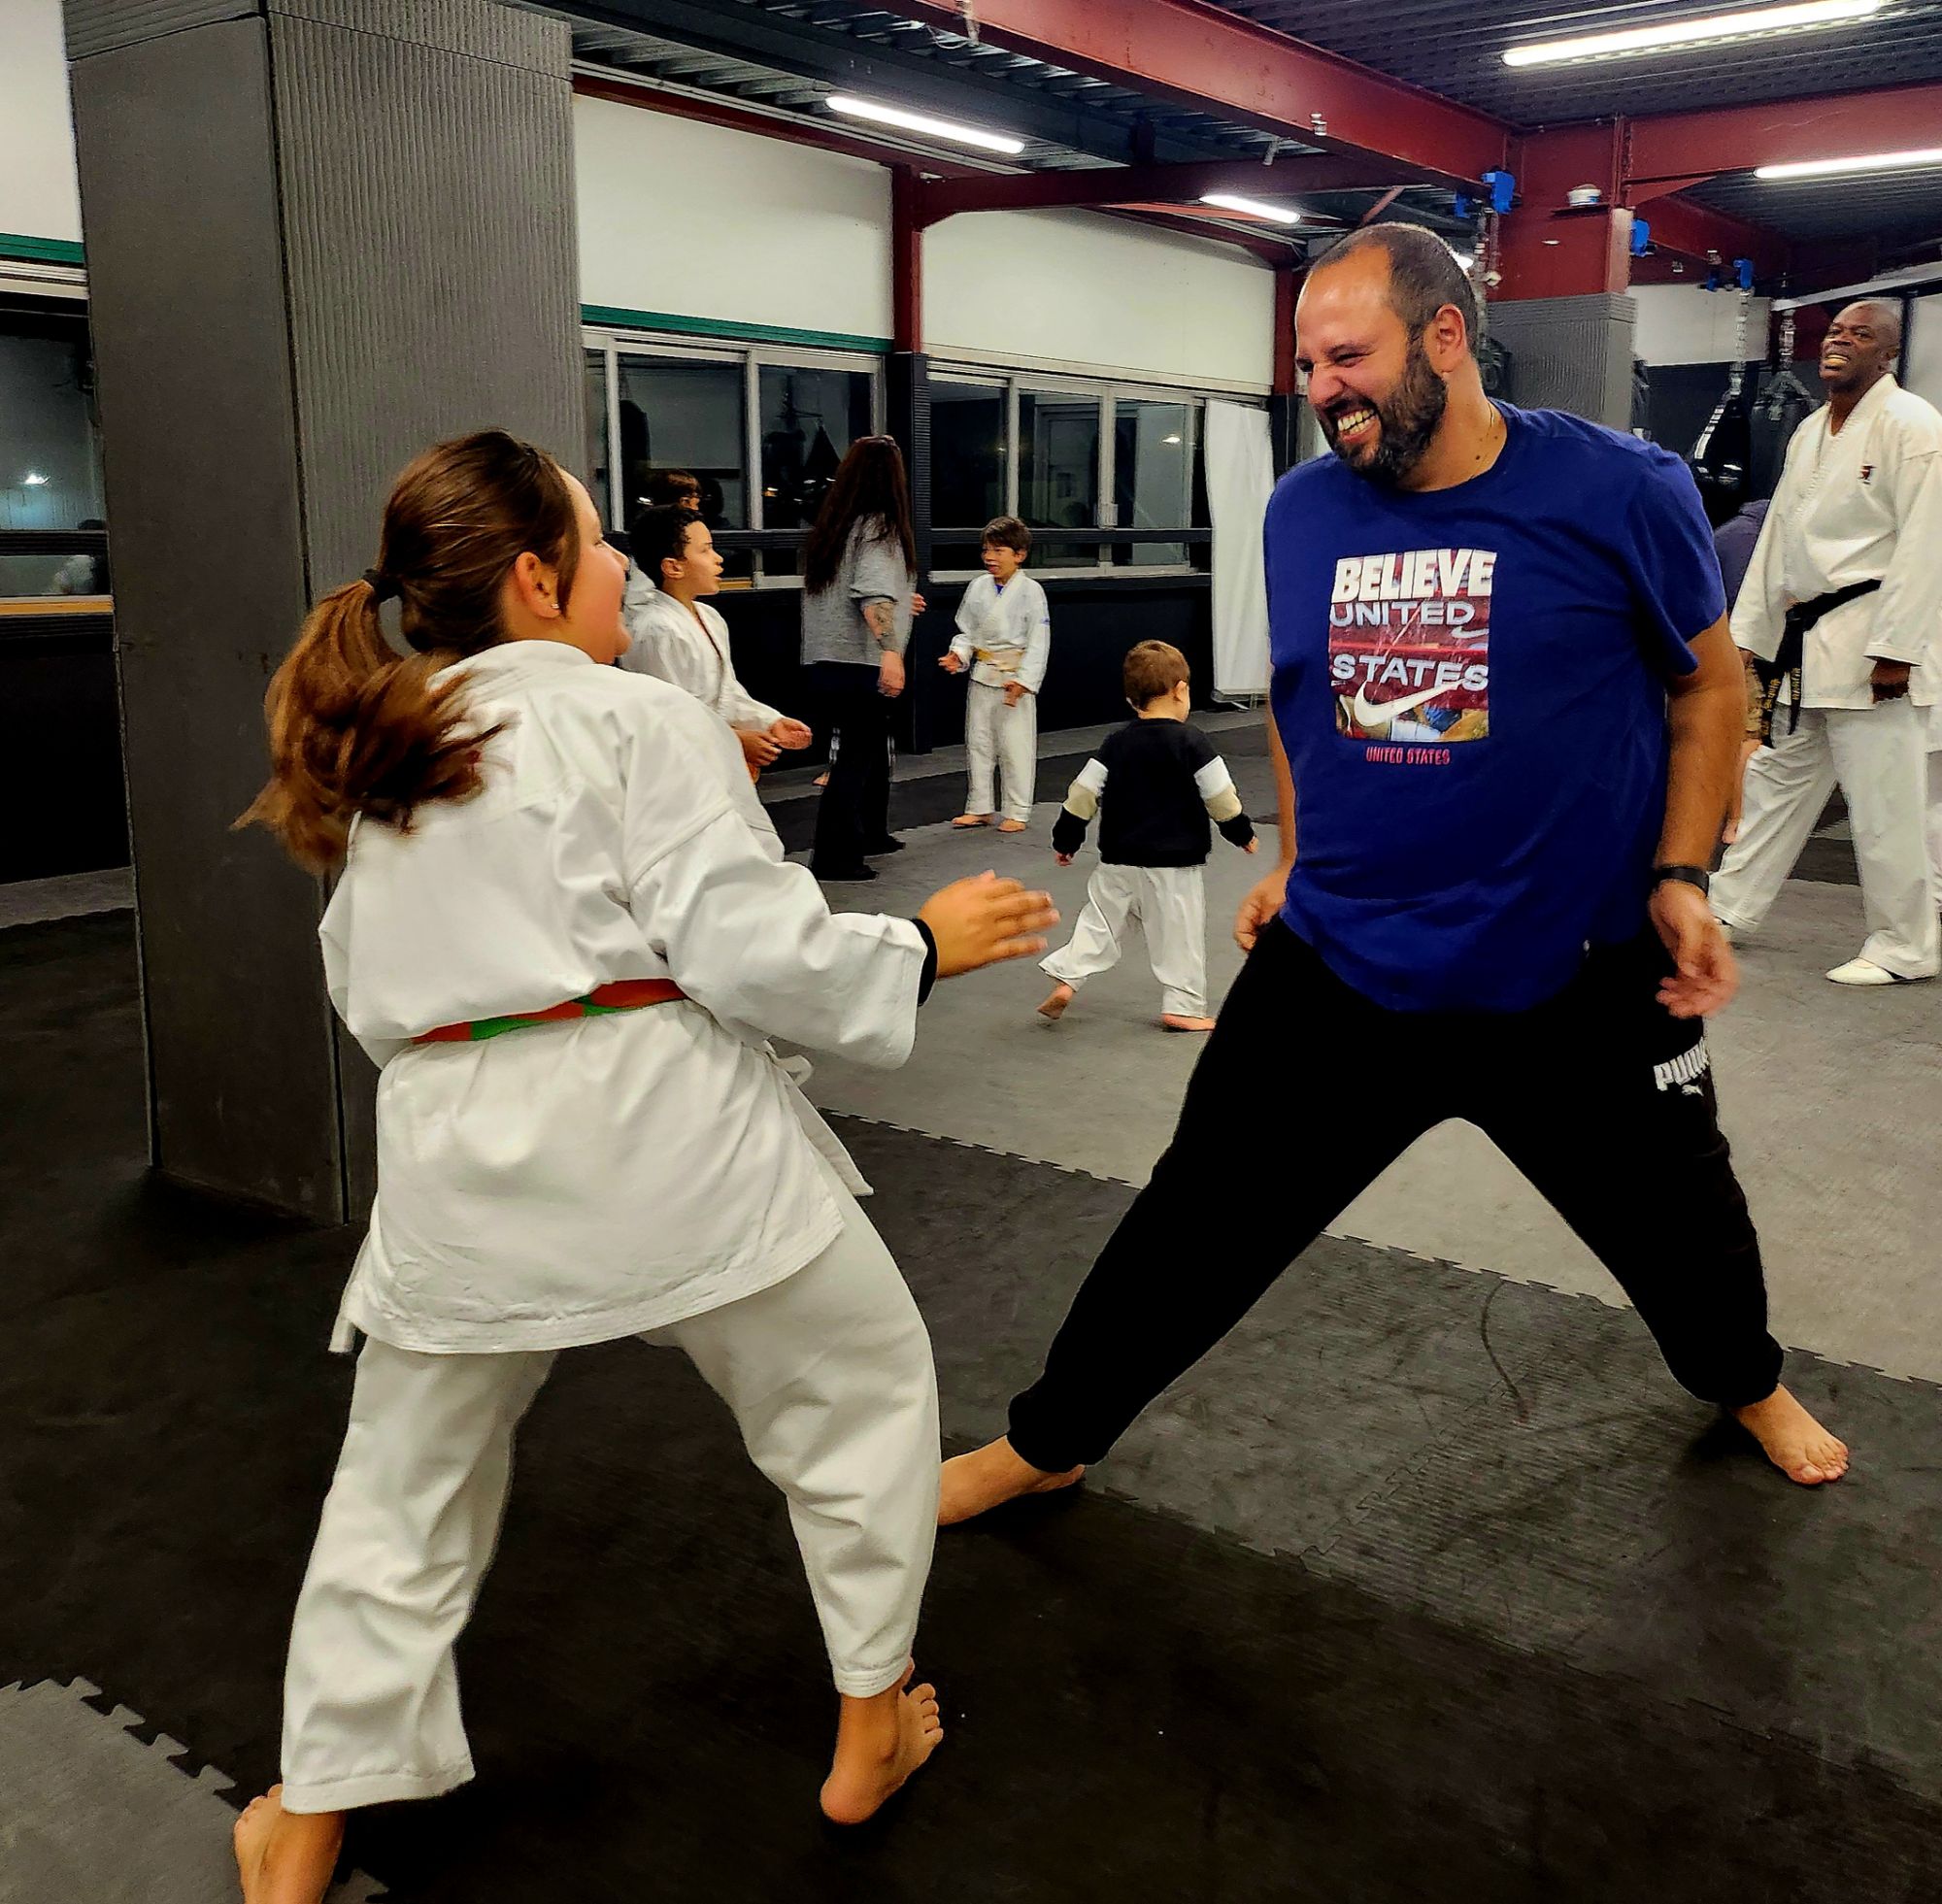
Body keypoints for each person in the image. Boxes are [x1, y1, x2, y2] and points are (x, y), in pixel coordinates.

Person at [227, 429, 1055, 1904]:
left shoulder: (393, 747)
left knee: (401, 1485)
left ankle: (308, 1812)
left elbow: (364, 986)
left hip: (458, 1162)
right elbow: (753, 952)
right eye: (600, 539)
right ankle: (870, 1719)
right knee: (860, 1388)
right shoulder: (633, 715)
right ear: (539, 580)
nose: (622, 562)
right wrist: (921, 945)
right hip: (676, 1145)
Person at [940, 223, 1850, 1537]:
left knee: (1682, 1221)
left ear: (1444, 336)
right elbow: (1302, 699)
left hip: (1576, 965)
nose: (1323, 388)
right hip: (1345, 962)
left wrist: (1682, 872)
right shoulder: (1302, 510)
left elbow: (1709, 685)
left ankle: (1745, 1382)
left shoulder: (1619, 488)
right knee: (1196, 1216)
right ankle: (1051, 1439)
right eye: (1307, 364)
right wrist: (1295, 858)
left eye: (1348, 356)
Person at [1711, 301, 1942, 985]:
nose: (1841, 341)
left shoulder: (1912, 426)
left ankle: (1906, 944)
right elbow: (1779, 537)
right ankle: (1727, 908)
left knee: (1885, 803)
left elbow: (1928, 544)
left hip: (1875, 647)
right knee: (1777, 781)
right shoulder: (1811, 429)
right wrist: (1749, 636)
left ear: (1889, 354)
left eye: (1861, 335)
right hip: (1808, 644)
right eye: (1837, 332)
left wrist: (1898, 649)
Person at [1037, 641, 1256, 1032]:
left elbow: (1082, 794)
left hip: (1117, 861)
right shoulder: (1192, 742)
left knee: (1100, 923)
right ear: (1181, 690)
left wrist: (1066, 839)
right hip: (1173, 865)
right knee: (1180, 935)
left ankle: (1067, 978)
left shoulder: (1115, 743)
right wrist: (1240, 832)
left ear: (1130, 699)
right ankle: (1184, 1006)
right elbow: (1220, 796)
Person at [803, 436, 925, 882]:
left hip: (824, 659)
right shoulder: (879, 527)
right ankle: (834, 857)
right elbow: (872, 595)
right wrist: (891, 651)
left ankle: (871, 833)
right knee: (856, 759)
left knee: (869, 752)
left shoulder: (836, 528)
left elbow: (853, 592)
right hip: (859, 662)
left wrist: (903, 602)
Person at [619, 504, 812, 778]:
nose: (718, 558)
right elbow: (666, 714)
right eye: (705, 550)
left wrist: (768, 721)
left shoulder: (709, 616)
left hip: (712, 757)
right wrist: (735, 739)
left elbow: (726, 692)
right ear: (673, 567)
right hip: (676, 769)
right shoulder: (655, 629)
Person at [940, 517, 1051, 832]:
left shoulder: (1031, 592)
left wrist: (1025, 682)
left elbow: (1039, 642)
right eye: (986, 550)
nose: (990, 557)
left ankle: (1018, 810)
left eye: (998, 551)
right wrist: (958, 654)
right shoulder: (978, 587)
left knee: (1015, 747)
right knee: (978, 743)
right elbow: (967, 632)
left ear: (1019, 554)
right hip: (982, 675)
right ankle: (980, 807)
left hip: (1013, 678)